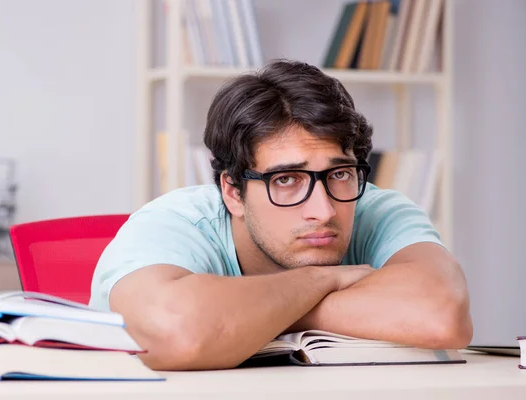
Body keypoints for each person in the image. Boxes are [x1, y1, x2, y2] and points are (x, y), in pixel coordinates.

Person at [89, 60, 473, 371]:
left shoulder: (376, 207)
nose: (323, 211)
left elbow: (442, 313)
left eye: (339, 173)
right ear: (233, 192)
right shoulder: (174, 223)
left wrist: (256, 314)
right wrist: (324, 280)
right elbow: (176, 332)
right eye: (286, 179)